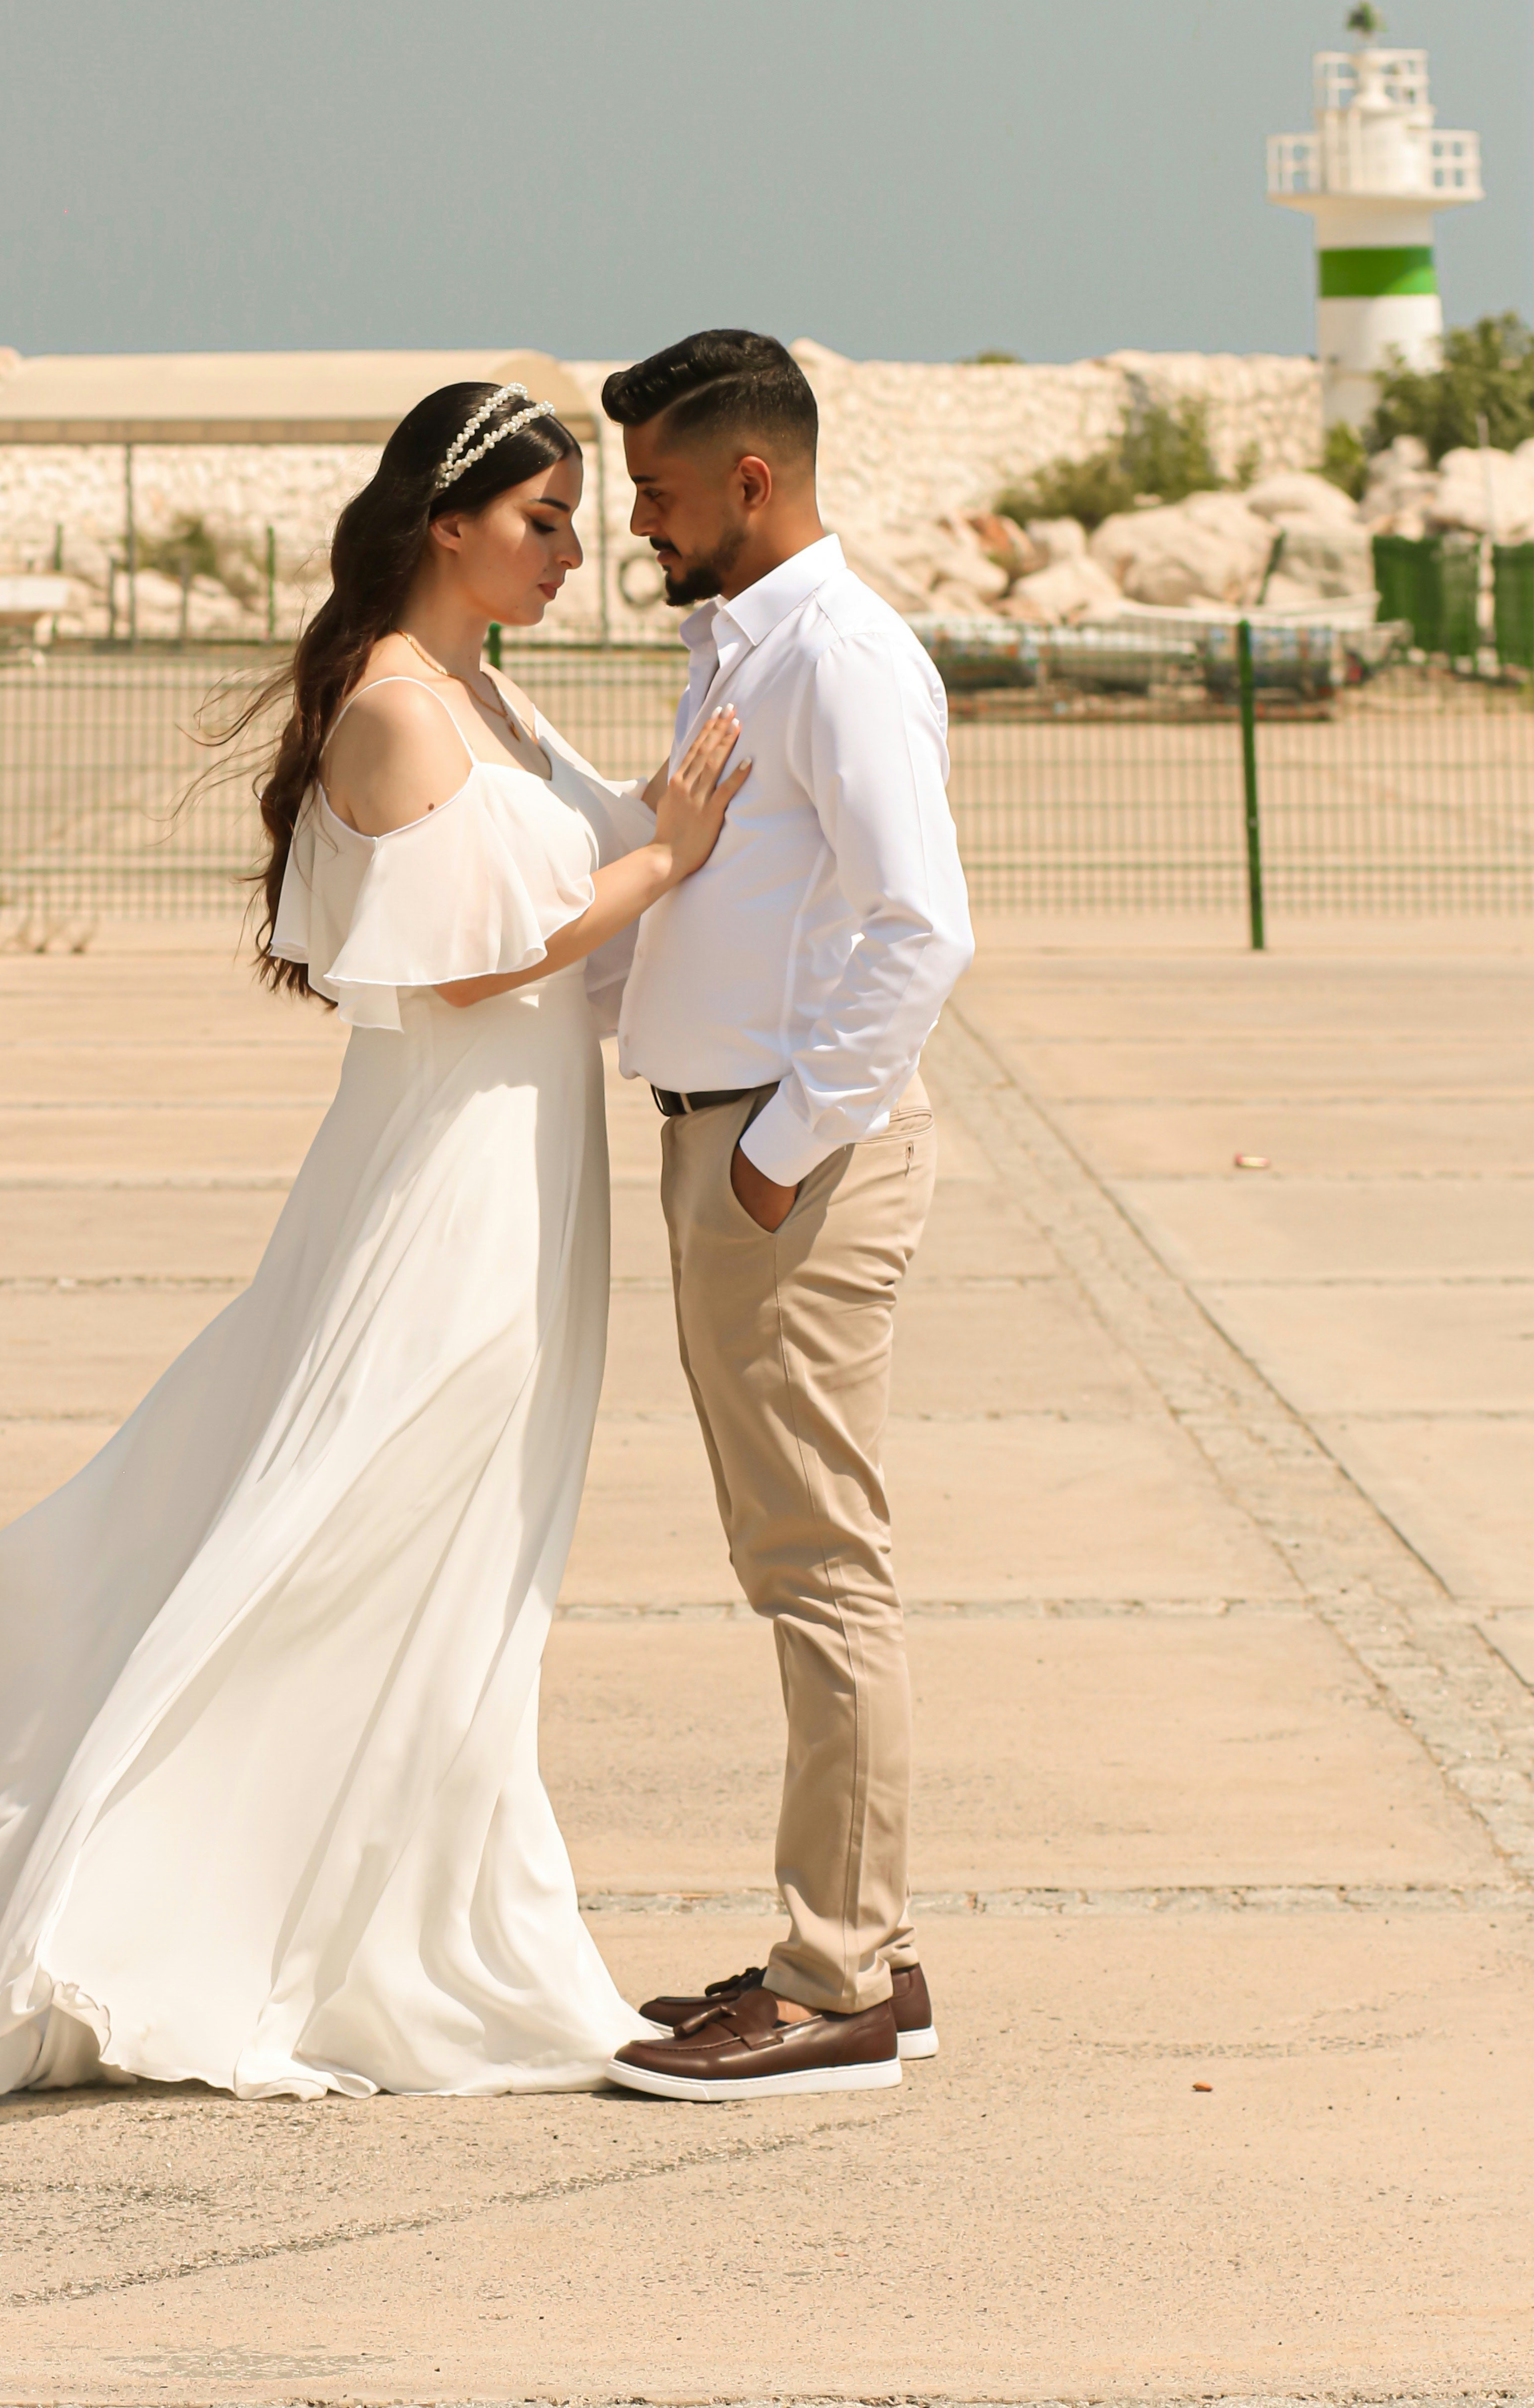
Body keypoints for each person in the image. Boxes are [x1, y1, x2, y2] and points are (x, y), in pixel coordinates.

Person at [0, 379, 747, 2101]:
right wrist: (664, 859)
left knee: (470, 1550)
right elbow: (467, 961)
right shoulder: (395, 706)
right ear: (447, 525)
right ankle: (222, 1914)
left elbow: (570, 870)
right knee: (364, 1521)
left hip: (527, 1157)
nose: (570, 551)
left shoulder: (482, 689)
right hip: (446, 1176)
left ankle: (413, 1911)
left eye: (573, 522)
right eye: (541, 521)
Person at [599, 331, 973, 2101]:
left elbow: (920, 924)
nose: (636, 525)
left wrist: (778, 1150)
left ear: (751, 480)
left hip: (791, 1164)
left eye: (658, 492)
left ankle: (836, 1981)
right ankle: (852, 1950)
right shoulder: (740, 647)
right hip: (733, 1148)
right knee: (789, 1557)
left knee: (821, 1566)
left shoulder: (836, 654)